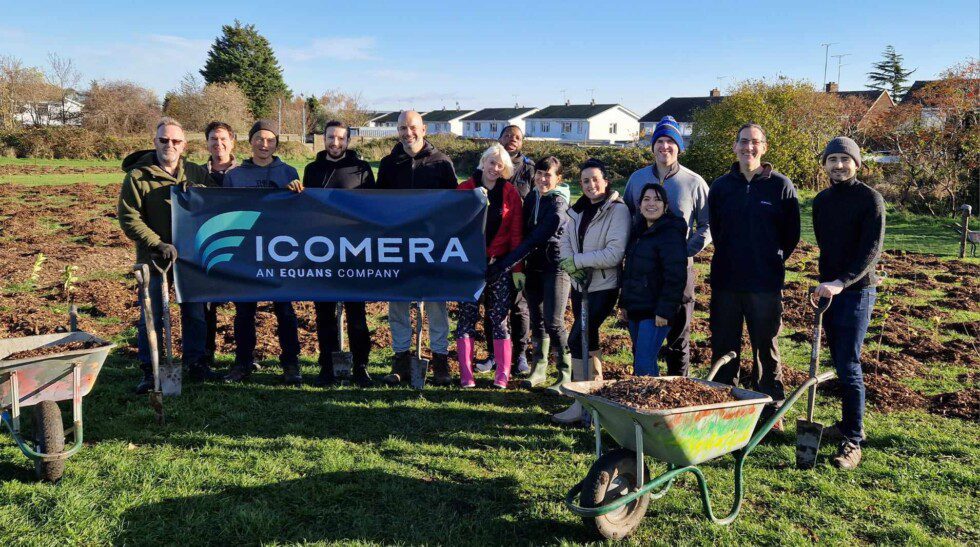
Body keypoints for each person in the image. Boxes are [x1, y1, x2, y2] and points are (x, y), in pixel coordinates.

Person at [707, 123, 800, 430]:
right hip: (726, 281)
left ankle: (771, 408)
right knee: (724, 346)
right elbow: (717, 229)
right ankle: (724, 406)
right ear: (735, 147)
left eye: (755, 142)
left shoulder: (781, 186)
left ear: (764, 147)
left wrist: (768, 261)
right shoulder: (721, 187)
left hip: (764, 283)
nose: (749, 147)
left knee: (765, 346)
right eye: (744, 141)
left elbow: (791, 235)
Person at [117, 117, 217, 393]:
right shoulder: (138, 177)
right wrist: (158, 243)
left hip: (191, 258)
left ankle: (195, 363)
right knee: (152, 315)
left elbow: (216, 205)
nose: (169, 145)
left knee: (194, 313)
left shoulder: (196, 172)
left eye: (175, 141)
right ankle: (150, 369)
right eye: (164, 140)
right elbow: (129, 217)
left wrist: (202, 194)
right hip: (154, 259)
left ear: (184, 145)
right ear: (155, 142)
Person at [812, 136, 885, 469]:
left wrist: (842, 282)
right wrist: (825, 285)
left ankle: (853, 438)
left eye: (845, 159)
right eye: (832, 160)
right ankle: (845, 424)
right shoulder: (822, 200)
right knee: (839, 360)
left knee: (849, 364)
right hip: (830, 292)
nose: (838, 165)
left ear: (856, 163)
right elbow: (826, 248)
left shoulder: (870, 200)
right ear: (825, 165)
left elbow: (870, 252)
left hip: (857, 292)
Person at [290, 120, 376, 388]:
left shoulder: (361, 169)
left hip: (353, 252)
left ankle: (361, 366)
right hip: (322, 252)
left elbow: (374, 208)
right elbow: (307, 207)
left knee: (357, 314)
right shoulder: (313, 170)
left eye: (340, 138)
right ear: (323, 138)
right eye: (330, 137)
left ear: (348, 140)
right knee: (324, 314)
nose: (335, 143)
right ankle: (326, 367)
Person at [623, 116, 711, 376]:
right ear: (652, 146)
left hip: (677, 272)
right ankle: (646, 383)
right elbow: (626, 218)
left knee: (678, 340)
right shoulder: (637, 179)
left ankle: (678, 387)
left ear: (679, 147)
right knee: (642, 343)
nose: (664, 146)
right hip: (643, 275)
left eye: (670, 141)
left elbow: (708, 224)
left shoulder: (693, 182)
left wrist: (685, 251)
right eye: (659, 141)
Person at [376, 110, 458, 386]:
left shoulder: (442, 163)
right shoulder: (388, 164)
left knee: (436, 303)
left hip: (432, 246)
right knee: (397, 303)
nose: (407, 133)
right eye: (402, 128)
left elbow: (455, 204)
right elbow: (377, 204)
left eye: (412, 127)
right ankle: (401, 359)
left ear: (423, 129)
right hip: (397, 244)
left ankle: (440, 360)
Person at [222, 120, 303, 386]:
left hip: (279, 252)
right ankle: (243, 362)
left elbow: (298, 212)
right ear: (250, 142)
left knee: (285, 310)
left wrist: (296, 193)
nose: (264, 144)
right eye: (259, 139)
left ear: (276, 143)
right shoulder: (235, 176)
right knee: (244, 311)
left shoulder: (288, 172)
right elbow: (223, 211)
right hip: (245, 253)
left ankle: (291, 363)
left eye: (270, 140)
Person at [553, 159, 630, 424]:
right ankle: (594, 400)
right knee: (589, 338)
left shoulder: (617, 210)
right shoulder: (578, 209)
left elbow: (614, 253)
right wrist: (569, 263)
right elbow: (565, 240)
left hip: (603, 286)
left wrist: (578, 262)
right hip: (579, 285)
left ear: (606, 181)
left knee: (577, 339)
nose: (590, 185)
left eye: (595, 179)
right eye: (585, 181)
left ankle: (581, 401)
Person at [487, 156, 572, 390]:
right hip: (532, 266)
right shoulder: (533, 197)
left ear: (558, 179)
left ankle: (565, 373)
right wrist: (515, 266)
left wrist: (503, 265)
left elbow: (534, 239)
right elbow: (520, 231)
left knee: (554, 322)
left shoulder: (558, 205)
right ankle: (539, 369)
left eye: (548, 175)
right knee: (537, 319)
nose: (543, 179)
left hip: (555, 267)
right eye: (540, 174)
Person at [456, 143, 524, 388]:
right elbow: (455, 226)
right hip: (469, 265)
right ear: (483, 162)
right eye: (491, 162)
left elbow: (516, 233)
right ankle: (466, 374)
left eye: (500, 165)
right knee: (466, 318)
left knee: (499, 318)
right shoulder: (465, 189)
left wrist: (516, 268)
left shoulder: (510, 193)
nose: (495, 168)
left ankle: (502, 375)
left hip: (498, 265)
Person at [474, 125, 533, 376]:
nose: (512, 139)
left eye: (517, 137)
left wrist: (518, 263)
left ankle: (520, 355)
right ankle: (494, 355)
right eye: (507, 135)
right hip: (484, 256)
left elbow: (522, 219)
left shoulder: (528, 170)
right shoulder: (476, 180)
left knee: (518, 307)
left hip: (514, 251)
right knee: (492, 308)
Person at [619, 184, 688, 376]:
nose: (651, 204)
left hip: (656, 312)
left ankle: (647, 397)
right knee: (643, 360)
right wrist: (624, 303)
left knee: (643, 364)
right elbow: (630, 271)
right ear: (639, 205)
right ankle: (652, 393)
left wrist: (664, 311)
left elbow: (676, 276)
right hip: (636, 308)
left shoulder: (670, 233)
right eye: (646, 199)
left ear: (665, 206)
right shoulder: (638, 232)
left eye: (657, 200)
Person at [200, 121, 239, 370]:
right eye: (213, 139)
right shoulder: (195, 173)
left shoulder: (244, 172)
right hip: (207, 246)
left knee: (243, 305)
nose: (218, 144)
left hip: (241, 246)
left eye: (223, 139)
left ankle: (244, 358)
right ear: (207, 142)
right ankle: (206, 355)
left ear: (232, 141)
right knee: (206, 305)